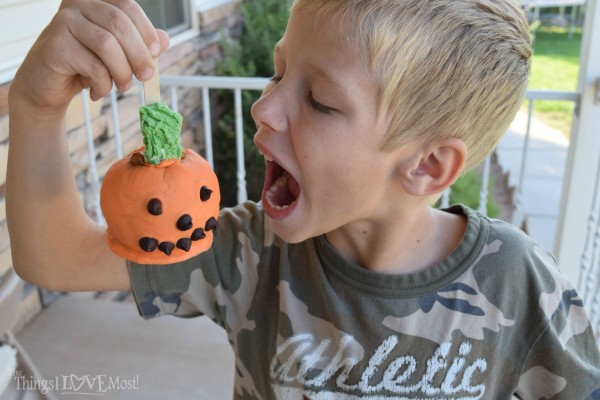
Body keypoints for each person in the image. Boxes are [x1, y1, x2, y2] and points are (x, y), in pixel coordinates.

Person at [7, 0, 600, 398]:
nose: (262, 109)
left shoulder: (524, 287)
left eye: (319, 100)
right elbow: (53, 258)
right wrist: (36, 104)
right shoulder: (242, 253)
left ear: (425, 165)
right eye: (276, 74)